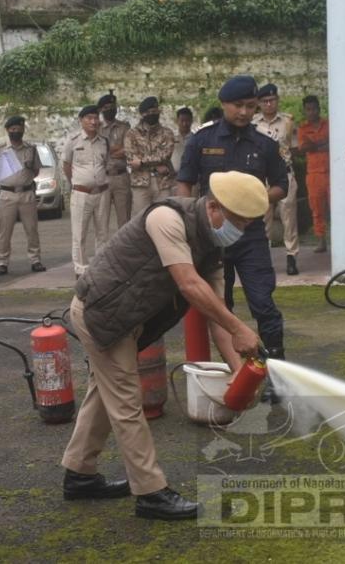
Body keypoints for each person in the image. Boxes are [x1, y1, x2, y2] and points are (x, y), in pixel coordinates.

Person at [63, 171, 265, 520]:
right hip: (102, 313)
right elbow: (189, 284)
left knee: (105, 392)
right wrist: (241, 328)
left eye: (247, 226)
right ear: (214, 207)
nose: (240, 232)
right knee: (127, 402)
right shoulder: (167, 218)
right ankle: (151, 493)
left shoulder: (211, 247)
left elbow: (217, 315)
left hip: (128, 319)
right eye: (238, 222)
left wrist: (240, 372)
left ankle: (79, 474)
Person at [176, 75, 289, 403]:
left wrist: (255, 199)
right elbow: (185, 182)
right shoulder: (202, 140)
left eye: (250, 107)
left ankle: (275, 375)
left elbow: (282, 185)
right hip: (211, 238)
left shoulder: (264, 145)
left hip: (251, 235)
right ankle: (237, 370)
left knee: (263, 304)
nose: (243, 112)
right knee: (219, 306)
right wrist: (186, 219)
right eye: (237, 106)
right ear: (224, 104)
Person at [253, 83, 300, 275]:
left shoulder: (288, 122)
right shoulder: (253, 124)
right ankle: (263, 257)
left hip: (284, 173)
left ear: (277, 100)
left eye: (272, 100)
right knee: (263, 218)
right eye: (265, 101)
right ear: (259, 103)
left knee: (289, 217)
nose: (269, 104)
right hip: (261, 177)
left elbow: (294, 149)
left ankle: (291, 257)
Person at [63, 105, 111, 278]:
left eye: (96, 118)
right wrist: (77, 183)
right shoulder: (73, 141)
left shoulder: (104, 141)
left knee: (103, 232)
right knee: (79, 233)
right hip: (81, 193)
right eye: (89, 118)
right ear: (81, 120)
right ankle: (80, 269)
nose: (93, 121)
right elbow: (66, 166)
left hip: (102, 192)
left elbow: (105, 164)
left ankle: (100, 267)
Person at [0, 115, 44, 275]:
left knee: (32, 229)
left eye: (19, 129)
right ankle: (2, 262)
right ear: (8, 130)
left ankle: (35, 260)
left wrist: (25, 179)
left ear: (23, 130)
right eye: (13, 129)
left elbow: (36, 170)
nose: (16, 132)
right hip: (7, 194)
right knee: (5, 231)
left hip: (27, 193)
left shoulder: (30, 148)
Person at [126, 96, 177, 215]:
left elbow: (165, 155)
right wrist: (155, 166)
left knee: (164, 218)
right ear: (143, 114)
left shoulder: (167, 132)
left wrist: (142, 162)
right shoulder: (132, 134)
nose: (153, 114)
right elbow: (131, 158)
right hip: (140, 184)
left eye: (155, 111)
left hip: (163, 183)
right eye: (150, 112)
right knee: (140, 220)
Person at [297, 95, 330, 253]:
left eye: (314, 108)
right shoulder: (303, 128)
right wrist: (322, 144)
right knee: (316, 208)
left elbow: (333, 142)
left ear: (319, 108)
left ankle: (338, 238)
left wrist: (314, 145)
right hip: (314, 173)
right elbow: (303, 148)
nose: (312, 112)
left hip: (331, 172)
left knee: (335, 207)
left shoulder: (328, 124)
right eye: (308, 109)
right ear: (304, 111)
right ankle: (321, 240)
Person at [99, 92, 132, 232]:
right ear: (101, 110)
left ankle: (125, 251)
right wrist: (117, 149)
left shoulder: (124, 127)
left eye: (113, 106)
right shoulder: (97, 128)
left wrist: (109, 150)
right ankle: (103, 251)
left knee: (124, 219)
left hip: (121, 176)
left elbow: (129, 149)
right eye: (106, 107)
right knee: (101, 218)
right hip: (103, 177)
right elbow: (98, 152)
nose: (110, 109)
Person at [172, 106, 194, 171]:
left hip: (191, 175)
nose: (184, 124)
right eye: (182, 121)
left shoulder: (196, 137)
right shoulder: (171, 137)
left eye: (187, 121)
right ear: (177, 121)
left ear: (192, 121)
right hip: (172, 175)